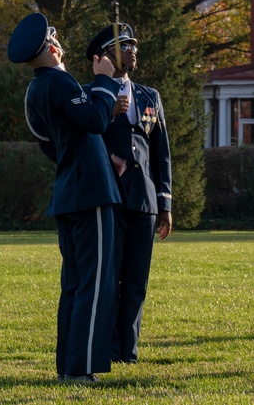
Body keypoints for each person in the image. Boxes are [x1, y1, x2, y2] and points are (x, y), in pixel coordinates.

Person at [7, 12, 121, 383]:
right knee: (94, 282)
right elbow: (94, 121)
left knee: (74, 284)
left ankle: (69, 365)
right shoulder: (59, 81)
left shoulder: (36, 89)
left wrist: (97, 96)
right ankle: (82, 368)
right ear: (52, 47)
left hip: (69, 192)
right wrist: (104, 82)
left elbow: (52, 142)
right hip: (90, 192)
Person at [84, 23, 172, 365]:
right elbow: (85, 141)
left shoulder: (150, 96)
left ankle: (128, 352)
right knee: (109, 278)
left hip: (145, 201)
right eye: (125, 45)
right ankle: (108, 348)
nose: (134, 50)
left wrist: (164, 204)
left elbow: (161, 153)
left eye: (134, 44)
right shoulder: (91, 93)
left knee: (136, 280)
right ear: (105, 56)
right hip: (109, 197)